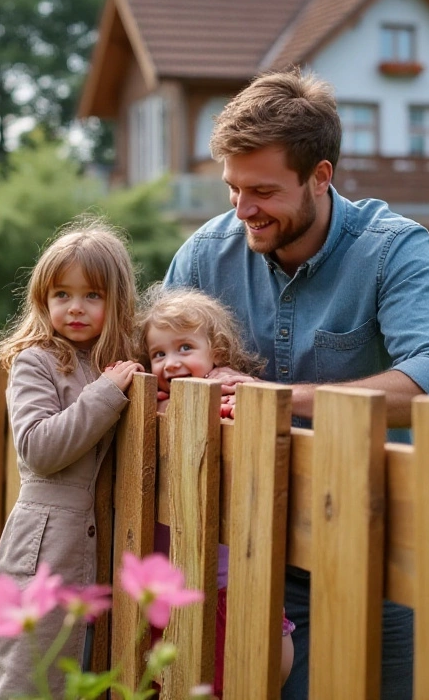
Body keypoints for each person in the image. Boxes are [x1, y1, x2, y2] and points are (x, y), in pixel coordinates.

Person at [163, 69, 429, 700]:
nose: (243, 209)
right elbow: (151, 366)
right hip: (239, 551)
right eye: (231, 188)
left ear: (321, 176)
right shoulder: (204, 255)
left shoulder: (392, 249)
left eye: (263, 191)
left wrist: (282, 401)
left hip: (372, 548)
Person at [0, 219, 144, 699]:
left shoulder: (123, 361)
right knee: (31, 675)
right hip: (47, 549)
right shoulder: (37, 361)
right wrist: (103, 394)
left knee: (94, 675)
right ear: (43, 299)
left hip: (111, 546)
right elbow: (38, 448)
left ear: (116, 300)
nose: (75, 307)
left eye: (92, 295)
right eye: (61, 294)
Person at [136, 284, 295, 695]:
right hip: (167, 591)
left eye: (185, 348)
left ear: (217, 355)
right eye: (159, 354)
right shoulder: (146, 408)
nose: (171, 363)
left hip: (226, 584)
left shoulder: (228, 401)